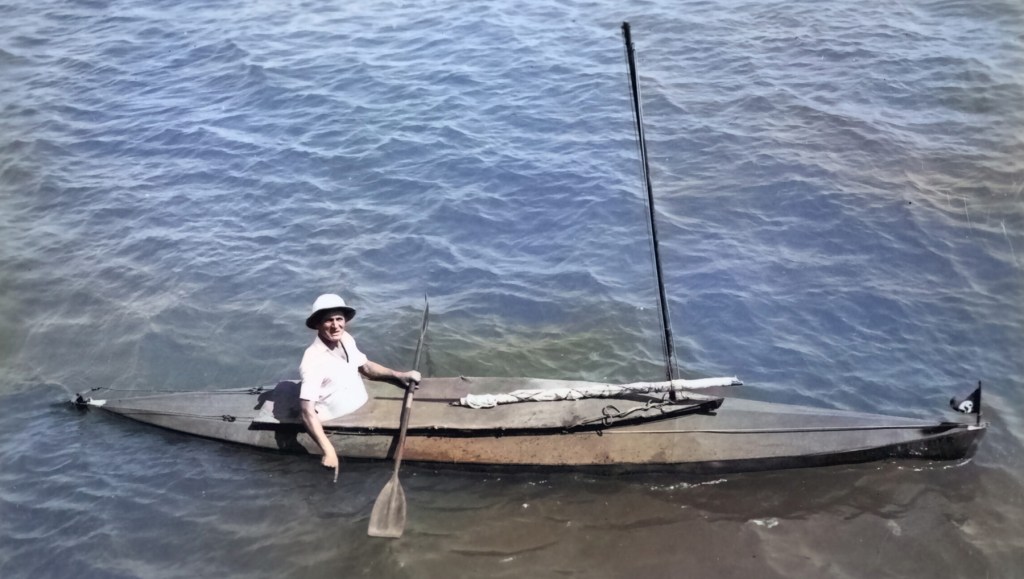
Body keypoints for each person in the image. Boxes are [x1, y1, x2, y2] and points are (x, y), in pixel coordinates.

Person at [299, 293, 421, 475]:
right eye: (328, 320)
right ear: (317, 324)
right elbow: (306, 411)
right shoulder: (312, 360)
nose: (335, 325)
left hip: (363, 403)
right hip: (338, 419)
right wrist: (329, 451)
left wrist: (398, 375)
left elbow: (365, 367)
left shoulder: (345, 338)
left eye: (339, 319)